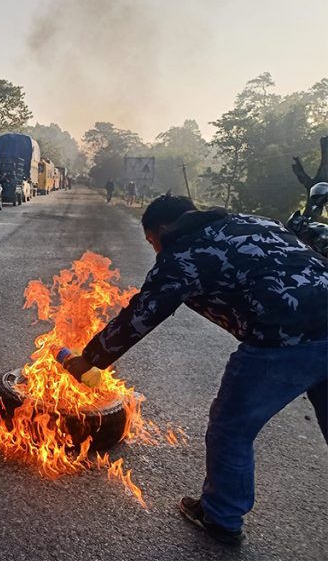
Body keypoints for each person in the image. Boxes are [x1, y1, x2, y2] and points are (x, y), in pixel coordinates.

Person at [61, 194, 328, 545]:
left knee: (231, 428)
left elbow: (141, 315)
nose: (155, 249)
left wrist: (89, 360)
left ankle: (221, 516)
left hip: (286, 338)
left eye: (151, 241)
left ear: (161, 229)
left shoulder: (184, 253)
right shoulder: (255, 220)